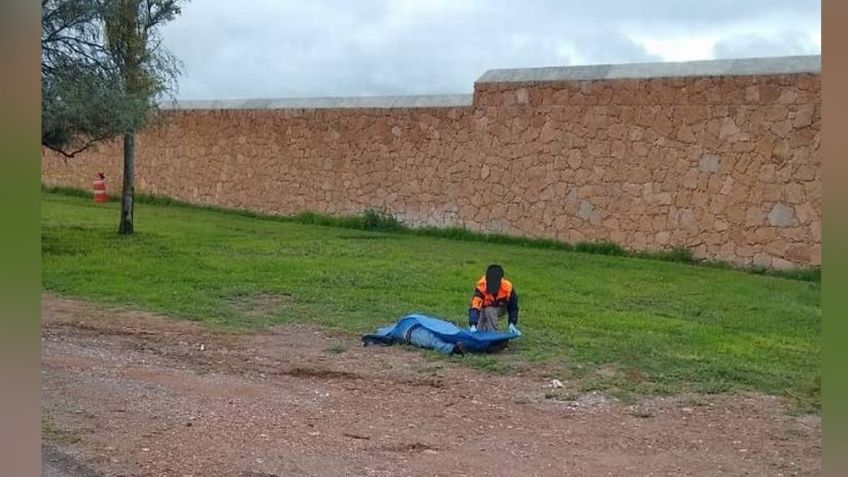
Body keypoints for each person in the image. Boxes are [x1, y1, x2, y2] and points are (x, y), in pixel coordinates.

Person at [468, 264, 521, 335]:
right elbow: (475, 307)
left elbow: (513, 308)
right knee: (478, 330)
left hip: (500, 308)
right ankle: (482, 329)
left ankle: (493, 334)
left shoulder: (508, 288)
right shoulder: (481, 288)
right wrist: (473, 324)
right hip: (483, 309)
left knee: (490, 310)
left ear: (501, 280)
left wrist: (512, 323)